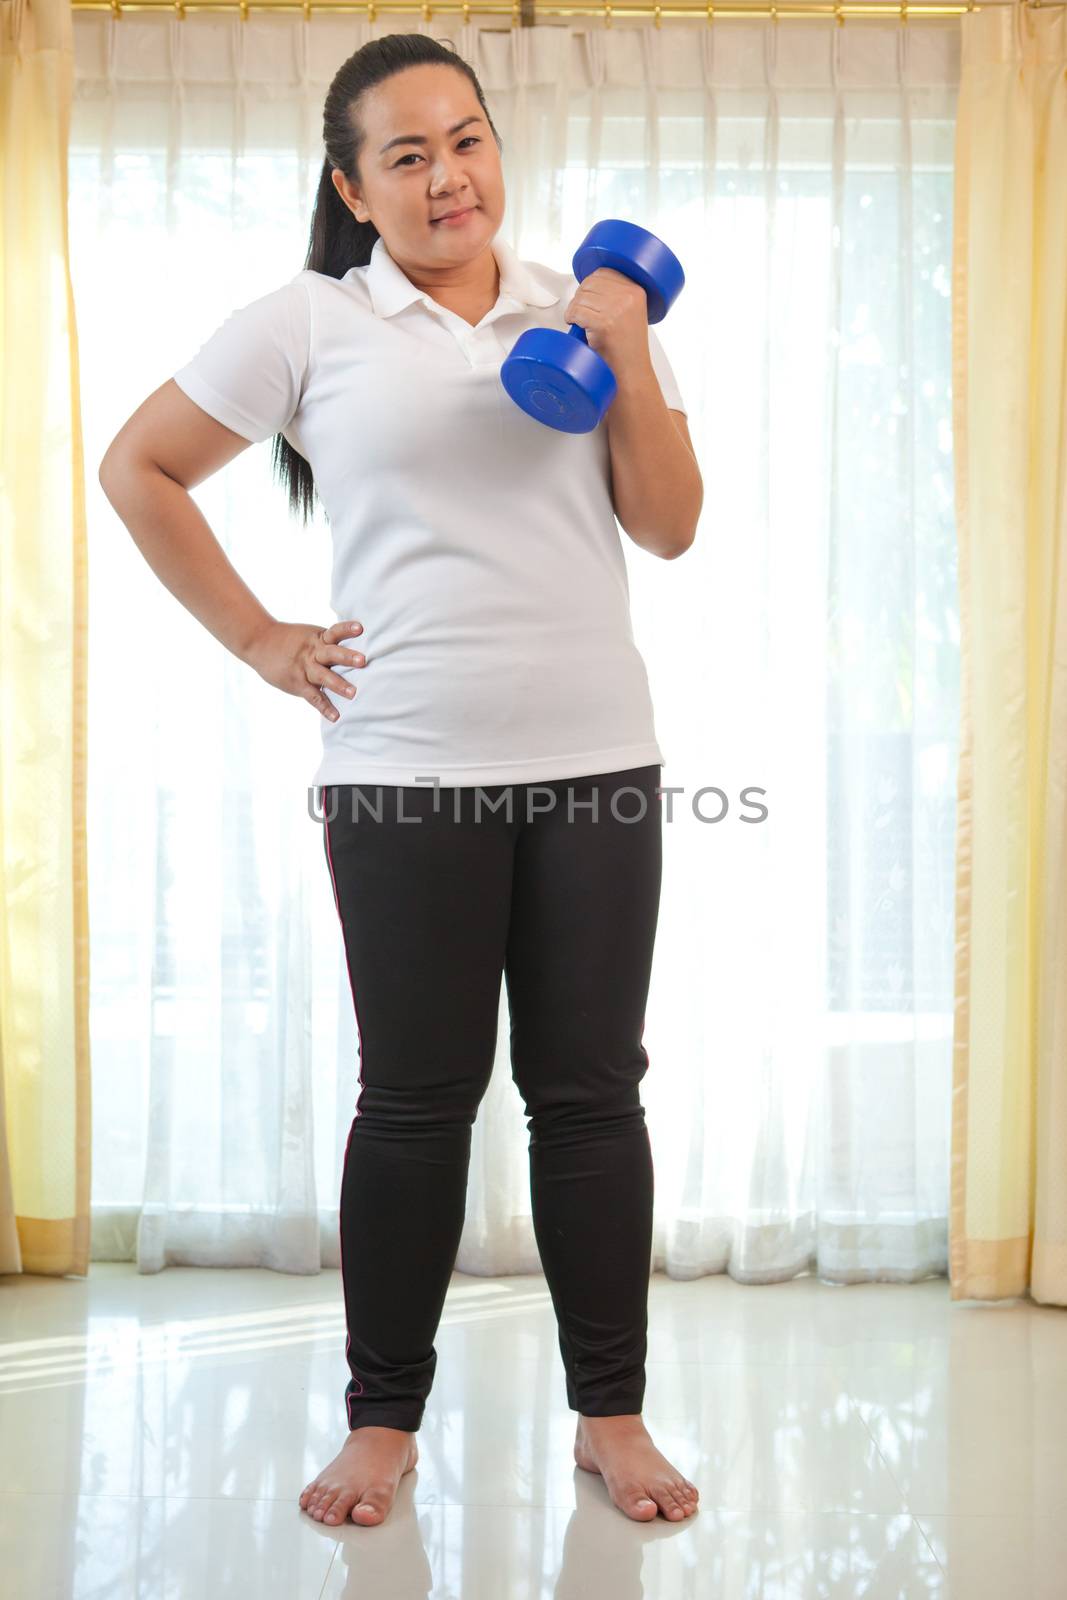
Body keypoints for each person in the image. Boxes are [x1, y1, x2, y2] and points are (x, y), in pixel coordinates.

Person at [99, 31, 703, 1530]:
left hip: (595, 767)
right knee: (417, 1099)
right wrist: (261, 640)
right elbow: (140, 467)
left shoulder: (588, 303)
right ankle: (383, 1424)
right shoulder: (309, 322)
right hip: (403, 768)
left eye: (471, 139)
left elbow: (672, 524)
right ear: (353, 187)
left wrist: (624, 347)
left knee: (589, 1097)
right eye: (411, 155)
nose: (452, 176)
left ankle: (610, 1417)